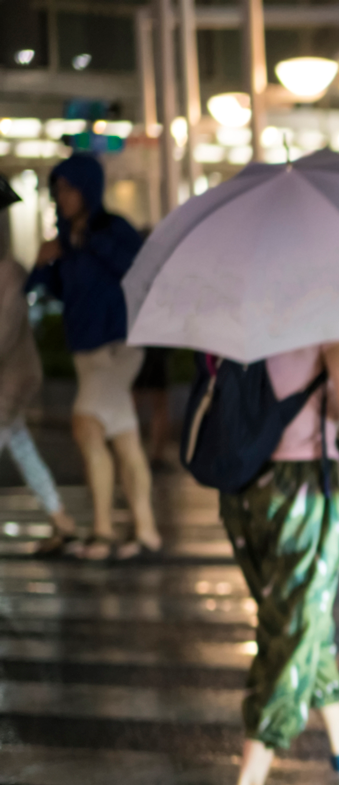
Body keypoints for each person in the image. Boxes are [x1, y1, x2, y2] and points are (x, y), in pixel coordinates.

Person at [224, 340, 339, 785]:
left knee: (293, 611)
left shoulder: (233, 308)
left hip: (239, 483)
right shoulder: (324, 309)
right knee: (293, 624)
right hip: (300, 481)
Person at [27, 153, 157, 560]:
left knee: (86, 425)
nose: (62, 196)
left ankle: (103, 528)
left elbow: (137, 269)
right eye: (58, 189)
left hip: (118, 346)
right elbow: (55, 290)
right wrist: (44, 264)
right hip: (86, 351)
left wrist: (87, 242)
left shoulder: (112, 229)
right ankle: (145, 530)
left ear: (88, 189)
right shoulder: (64, 240)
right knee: (122, 436)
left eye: (69, 188)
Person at [1, 180, 78, 554]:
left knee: (17, 442)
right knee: (22, 446)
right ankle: (61, 518)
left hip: (10, 380)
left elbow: (3, 331)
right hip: (9, 381)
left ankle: (61, 519)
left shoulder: (9, 273)